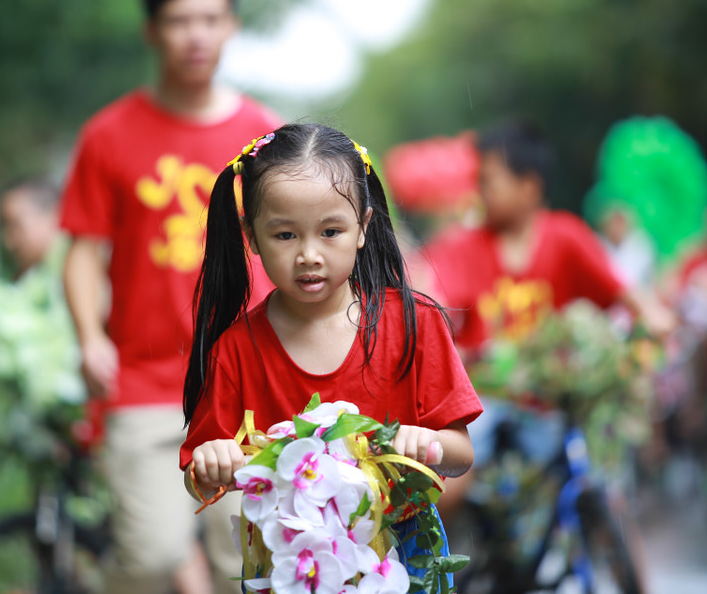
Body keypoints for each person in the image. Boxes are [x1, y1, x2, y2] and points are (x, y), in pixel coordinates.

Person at [178, 123, 484, 588]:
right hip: (292, 559)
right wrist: (211, 459)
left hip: (401, 554)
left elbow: (460, 453)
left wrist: (426, 445)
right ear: (252, 237)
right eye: (285, 235)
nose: (309, 254)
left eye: (330, 231)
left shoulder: (414, 323)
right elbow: (199, 480)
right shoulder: (236, 349)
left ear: (363, 226)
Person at [59, 0, 280, 594]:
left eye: (210, 19)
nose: (196, 35)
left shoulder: (264, 137)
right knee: (151, 557)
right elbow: (82, 252)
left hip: (244, 378)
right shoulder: (108, 135)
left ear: (232, 26)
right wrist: (89, 338)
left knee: (249, 566)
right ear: (151, 31)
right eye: (179, 21)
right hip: (143, 382)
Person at [420, 121, 671, 533]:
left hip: (554, 401)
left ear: (529, 186)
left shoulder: (565, 236)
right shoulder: (461, 246)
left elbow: (627, 295)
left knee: (604, 489)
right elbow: (432, 297)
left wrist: (655, 317)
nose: (481, 192)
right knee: (449, 484)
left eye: (490, 181)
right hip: (484, 400)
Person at [0, 176, 63, 279]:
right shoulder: (25, 277)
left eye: (14, 226)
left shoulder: (81, 267)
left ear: (53, 214)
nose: (8, 243)